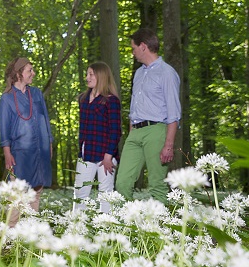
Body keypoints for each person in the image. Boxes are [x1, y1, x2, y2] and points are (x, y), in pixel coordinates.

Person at [115, 28, 181, 203]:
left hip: (156, 131)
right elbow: (134, 106)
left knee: (157, 185)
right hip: (135, 132)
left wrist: (169, 144)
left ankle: (161, 220)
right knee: (122, 183)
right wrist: (131, 131)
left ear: (143, 46)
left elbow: (174, 112)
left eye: (134, 48)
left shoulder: (167, 73)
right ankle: (128, 218)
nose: (133, 52)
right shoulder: (138, 73)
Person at [0, 57, 53, 217]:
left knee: (35, 196)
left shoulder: (36, 93)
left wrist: (49, 144)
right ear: (18, 74)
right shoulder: (6, 98)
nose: (33, 73)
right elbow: (3, 128)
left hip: (40, 152)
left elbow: (45, 120)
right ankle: (11, 230)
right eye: (30, 70)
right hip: (19, 155)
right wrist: (7, 153)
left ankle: (32, 229)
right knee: (16, 198)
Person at [74, 61, 121, 212]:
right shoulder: (83, 99)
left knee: (106, 194)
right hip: (86, 153)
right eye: (87, 74)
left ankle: (105, 224)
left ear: (101, 76)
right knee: (80, 192)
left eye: (91, 74)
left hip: (105, 156)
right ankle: (77, 223)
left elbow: (115, 131)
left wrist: (108, 156)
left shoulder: (111, 101)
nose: (87, 77)